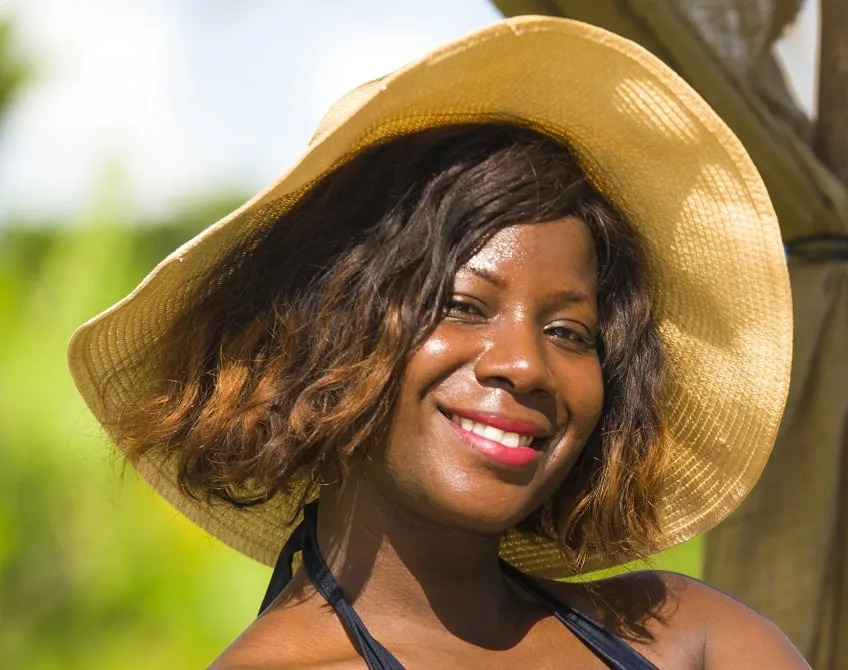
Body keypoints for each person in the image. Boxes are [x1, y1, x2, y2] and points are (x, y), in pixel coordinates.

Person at [68, 16, 810, 669]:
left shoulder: (692, 640)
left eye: (568, 331)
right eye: (460, 306)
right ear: (322, 335)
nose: (525, 364)